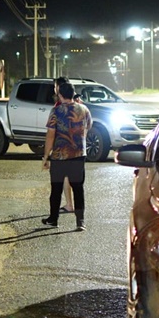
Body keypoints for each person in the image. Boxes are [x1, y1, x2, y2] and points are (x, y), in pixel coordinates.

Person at [41, 81, 91, 231]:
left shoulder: (56, 111)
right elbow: (89, 125)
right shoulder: (83, 109)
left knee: (56, 189)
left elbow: (50, 135)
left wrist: (46, 156)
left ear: (60, 95)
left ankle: (53, 219)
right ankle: (80, 222)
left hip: (59, 157)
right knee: (78, 189)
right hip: (78, 155)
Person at [53, 76, 79, 213]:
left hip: (64, 147)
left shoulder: (59, 107)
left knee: (65, 177)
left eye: (56, 86)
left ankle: (69, 204)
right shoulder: (79, 105)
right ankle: (74, 208)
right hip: (78, 147)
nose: (54, 89)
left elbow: (53, 130)